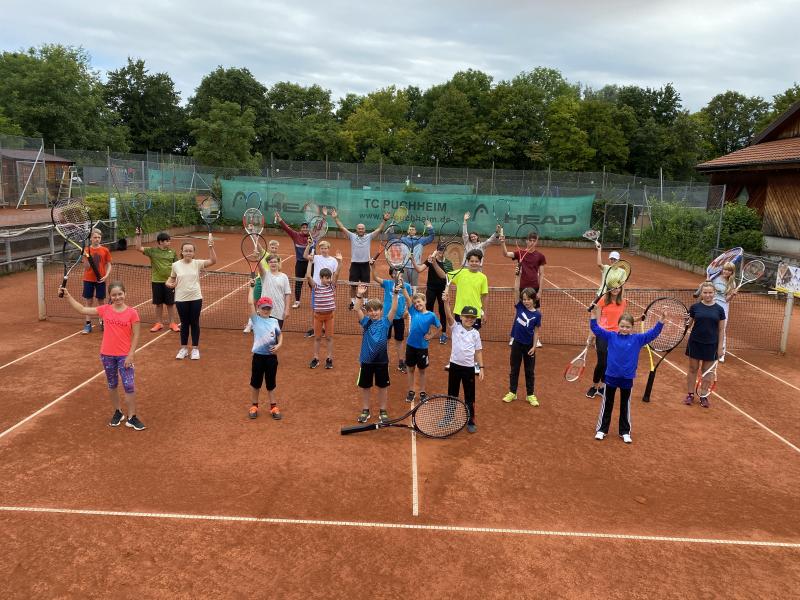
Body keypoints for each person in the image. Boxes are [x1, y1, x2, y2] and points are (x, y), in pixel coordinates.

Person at [59, 281, 145, 430]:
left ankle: (132, 417)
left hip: (124, 356)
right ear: (110, 297)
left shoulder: (132, 312)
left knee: (129, 385)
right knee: (112, 384)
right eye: (114, 295)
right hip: (107, 354)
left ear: (125, 294)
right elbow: (82, 309)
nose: (117, 297)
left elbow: (136, 335)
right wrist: (67, 295)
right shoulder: (105, 309)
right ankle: (118, 411)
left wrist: (131, 354)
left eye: (120, 294)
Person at [590, 305, 664, 443]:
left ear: (632, 327)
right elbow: (596, 329)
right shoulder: (611, 336)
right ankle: (602, 429)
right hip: (611, 376)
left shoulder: (637, 339)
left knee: (625, 405)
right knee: (608, 403)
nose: (625, 329)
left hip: (627, 378)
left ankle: (625, 431)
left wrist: (661, 321)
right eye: (622, 326)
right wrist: (593, 315)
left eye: (628, 327)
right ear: (618, 326)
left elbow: (653, 333)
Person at [165, 234, 217, 360]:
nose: (188, 252)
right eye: (186, 250)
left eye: (190, 251)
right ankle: (183, 348)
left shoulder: (197, 263)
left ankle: (195, 349)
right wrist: (168, 283)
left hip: (195, 298)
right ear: (181, 252)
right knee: (184, 323)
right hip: (181, 299)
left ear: (194, 253)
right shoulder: (176, 265)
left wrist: (211, 247)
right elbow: (171, 278)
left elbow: (213, 261)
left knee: (194, 323)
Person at [353, 281, 399, 423]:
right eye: (370, 310)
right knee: (365, 386)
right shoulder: (366, 322)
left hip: (381, 360)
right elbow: (357, 309)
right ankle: (365, 410)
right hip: (366, 360)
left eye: (376, 310)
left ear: (381, 310)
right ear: (368, 312)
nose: (373, 312)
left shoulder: (386, 322)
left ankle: (383, 410)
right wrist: (359, 295)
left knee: (382, 386)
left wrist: (396, 294)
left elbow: (393, 309)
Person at [442, 287, 484, 433]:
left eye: (472, 318)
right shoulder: (455, 327)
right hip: (454, 366)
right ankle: (448, 417)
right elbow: (448, 316)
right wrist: (446, 302)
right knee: (452, 393)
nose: (469, 319)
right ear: (461, 317)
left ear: (475, 320)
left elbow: (478, 351)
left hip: (468, 368)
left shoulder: (475, 334)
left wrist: (482, 367)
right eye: (466, 317)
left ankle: (470, 420)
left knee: (469, 395)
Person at [330, 208, 390, 309]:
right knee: (353, 285)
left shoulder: (369, 237)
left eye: (362, 228)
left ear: (364, 230)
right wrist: (336, 218)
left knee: (365, 285)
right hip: (355, 264)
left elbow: (379, 230)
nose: (361, 230)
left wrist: (384, 220)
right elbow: (342, 227)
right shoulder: (352, 236)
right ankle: (353, 303)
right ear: (356, 229)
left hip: (366, 264)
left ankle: (365, 303)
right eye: (359, 228)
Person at [502, 269, 541, 406]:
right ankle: (512, 392)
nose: (526, 302)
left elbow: (536, 331)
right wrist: (517, 276)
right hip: (517, 344)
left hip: (529, 346)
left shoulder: (537, 315)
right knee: (514, 369)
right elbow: (515, 290)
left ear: (534, 300)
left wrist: (534, 346)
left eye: (529, 299)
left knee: (529, 371)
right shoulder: (519, 308)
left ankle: (530, 395)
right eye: (524, 299)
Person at [685, 281, 726, 408]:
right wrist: (685, 321)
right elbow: (688, 324)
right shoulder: (695, 307)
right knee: (692, 369)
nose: (708, 295)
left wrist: (720, 348)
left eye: (710, 292)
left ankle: (703, 396)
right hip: (695, 343)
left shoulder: (719, 310)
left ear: (714, 293)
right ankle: (690, 394)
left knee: (707, 372)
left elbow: (721, 330)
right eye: (705, 292)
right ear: (701, 294)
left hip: (711, 345)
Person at [501, 231, 545, 347]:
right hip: (521, 287)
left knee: (536, 313)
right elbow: (506, 254)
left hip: (534, 288)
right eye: (530, 240)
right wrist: (502, 242)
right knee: (519, 312)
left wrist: (540, 291)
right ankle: (514, 337)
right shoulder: (519, 253)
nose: (531, 242)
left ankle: (537, 338)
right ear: (526, 241)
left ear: (536, 242)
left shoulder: (540, 256)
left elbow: (541, 274)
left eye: (534, 240)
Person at [245, 290, 283, 421]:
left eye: (268, 308)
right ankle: (254, 406)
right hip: (258, 357)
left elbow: (280, 335)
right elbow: (250, 302)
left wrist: (278, 346)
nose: (266, 310)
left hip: (271, 358)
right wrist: (251, 288)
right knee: (256, 383)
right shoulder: (255, 320)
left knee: (271, 383)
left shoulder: (274, 322)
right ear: (258, 309)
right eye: (263, 308)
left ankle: (273, 407)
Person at [399, 287, 441, 403]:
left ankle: (422, 392)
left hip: (422, 348)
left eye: (419, 302)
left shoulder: (431, 315)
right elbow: (408, 298)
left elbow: (439, 327)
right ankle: (411, 391)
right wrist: (403, 288)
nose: (417, 304)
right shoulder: (413, 311)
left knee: (422, 371)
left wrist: (431, 335)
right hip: (410, 346)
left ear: (425, 301)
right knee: (410, 369)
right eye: (415, 303)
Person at [370, 260, 413, 373]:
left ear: (402, 274)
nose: (397, 274)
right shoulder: (388, 283)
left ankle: (401, 362)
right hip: (387, 318)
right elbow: (375, 278)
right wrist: (372, 267)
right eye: (394, 272)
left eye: (399, 272)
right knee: (386, 340)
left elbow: (410, 302)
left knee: (399, 341)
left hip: (399, 318)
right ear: (391, 274)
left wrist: (407, 311)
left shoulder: (407, 286)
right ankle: (384, 361)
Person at [305, 241, 342, 369]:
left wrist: (340, 262)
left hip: (329, 316)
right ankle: (316, 357)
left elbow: (336, 274)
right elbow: (308, 276)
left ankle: (329, 358)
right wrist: (310, 262)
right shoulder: (316, 287)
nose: (327, 280)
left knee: (329, 338)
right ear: (320, 278)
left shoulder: (332, 286)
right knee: (317, 338)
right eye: (324, 278)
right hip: (318, 316)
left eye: (328, 278)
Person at [585, 286, 628, 398]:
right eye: (613, 287)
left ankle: (603, 387)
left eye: (618, 288)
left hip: (616, 336)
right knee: (602, 362)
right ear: (609, 288)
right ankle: (594, 386)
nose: (616, 289)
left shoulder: (623, 302)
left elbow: (623, 319)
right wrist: (591, 335)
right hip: (603, 334)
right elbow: (596, 320)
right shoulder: (602, 300)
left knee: (610, 363)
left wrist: (638, 319)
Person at [430, 249, 489, 329]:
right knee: (459, 337)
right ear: (468, 261)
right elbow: (444, 275)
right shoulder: (460, 273)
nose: (474, 263)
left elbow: (485, 296)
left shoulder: (483, 278)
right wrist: (434, 263)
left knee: (472, 338)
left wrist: (485, 313)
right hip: (460, 312)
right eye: (472, 261)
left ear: (480, 262)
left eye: (476, 261)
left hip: (475, 313)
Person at [134, 228, 179, 333]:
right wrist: (138, 235)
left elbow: (177, 266)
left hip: (170, 282)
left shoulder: (172, 252)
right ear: (160, 242)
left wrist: (176, 279)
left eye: (169, 240)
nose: (169, 242)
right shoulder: (152, 251)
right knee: (158, 304)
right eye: (167, 241)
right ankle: (158, 323)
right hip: (157, 282)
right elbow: (138, 247)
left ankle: (172, 323)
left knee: (170, 303)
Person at [410, 245, 451, 344]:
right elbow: (419, 269)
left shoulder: (448, 263)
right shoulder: (430, 260)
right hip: (431, 288)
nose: (441, 251)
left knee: (442, 311)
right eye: (439, 249)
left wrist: (434, 262)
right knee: (428, 309)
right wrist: (413, 260)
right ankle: (427, 330)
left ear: (445, 251)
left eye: (443, 249)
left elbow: (445, 277)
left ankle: (444, 333)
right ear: (436, 250)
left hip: (442, 290)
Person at [303, 238, 340, 338]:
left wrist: (334, 288)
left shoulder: (333, 260)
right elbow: (305, 256)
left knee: (328, 308)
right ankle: (315, 328)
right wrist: (308, 245)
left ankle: (326, 329)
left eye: (325, 248)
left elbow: (336, 274)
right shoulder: (316, 257)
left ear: (329, 249)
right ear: (319, 249)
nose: (324, 250)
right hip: (316, 287)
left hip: (329, 287)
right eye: (322, 248)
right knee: (315, 308)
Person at [244, 239, 282, 333]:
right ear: (269, 247)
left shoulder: (278, 259)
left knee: (266, 304)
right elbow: (259, 246)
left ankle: (265, 324)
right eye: (272, 247)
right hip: (259, 281)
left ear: (277, 249)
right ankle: (250, 324)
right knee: (255, 302)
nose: (273, 249)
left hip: (270, 283)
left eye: (275, 248)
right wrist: (253, 233)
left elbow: (279, 269)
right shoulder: (265, 254)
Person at [274, 211, 311, 308]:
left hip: (311, 263)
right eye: (303, 227)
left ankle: (315, 300)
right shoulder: (296, 235)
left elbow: (319, 227)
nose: (305, 229)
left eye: (306, 227)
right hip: (300, 263)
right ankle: (297, 301)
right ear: (301, 229)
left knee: (312, 282)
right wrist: (280, 219)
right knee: (298, 282)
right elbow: (287, 228)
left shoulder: (312, 237)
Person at [80, 227, 113, 334]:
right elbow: (86, 267)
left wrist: (106, 275)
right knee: (88, 302)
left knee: (101, 301)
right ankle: (88, 324)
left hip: (100, 279)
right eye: (95, 237)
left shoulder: (105, 250)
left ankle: (103, 322)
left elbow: (108, 264)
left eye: (99, 237)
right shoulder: (86, 250)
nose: (97, 239)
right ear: (90, 238)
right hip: (88, 279)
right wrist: (84, 258)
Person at [389, 221, 435, 286]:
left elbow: (431, 237)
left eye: (413, 229)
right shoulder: (403, 239)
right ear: (408, 231)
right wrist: (391, 228)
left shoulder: (421, 240)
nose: (411, 231)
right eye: (410, 229)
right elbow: (392, 239)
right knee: (404, 286)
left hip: (416, 267)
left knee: (414, 288)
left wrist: (430, 226)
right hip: (404, 267)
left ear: (415, 231)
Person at [711, 261, 737, 362]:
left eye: (729, 270)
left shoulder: (732, 283)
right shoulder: (715, 278)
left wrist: (732, 295)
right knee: (711, 327)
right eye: (725, 269)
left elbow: (727, 299)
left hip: (723, 307)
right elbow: (707, 290)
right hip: (712, 304)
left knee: (722, 330)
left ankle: (721, 353)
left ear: (732, 272)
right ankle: (711, 349)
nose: (726, 271)